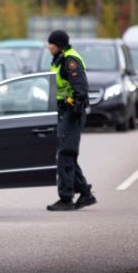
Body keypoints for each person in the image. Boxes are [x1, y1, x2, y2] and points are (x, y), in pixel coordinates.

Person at [46, 30, 97, 211]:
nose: (48, 46)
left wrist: (72, 107)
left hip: (72, 113)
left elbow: (80, 89)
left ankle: (66, 199)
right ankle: (85, 193)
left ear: (58, 44)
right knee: (67, 154)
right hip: (64, 112)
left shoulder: (70, 61)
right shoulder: (60, 59)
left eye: (51, 43)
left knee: (66, 154)